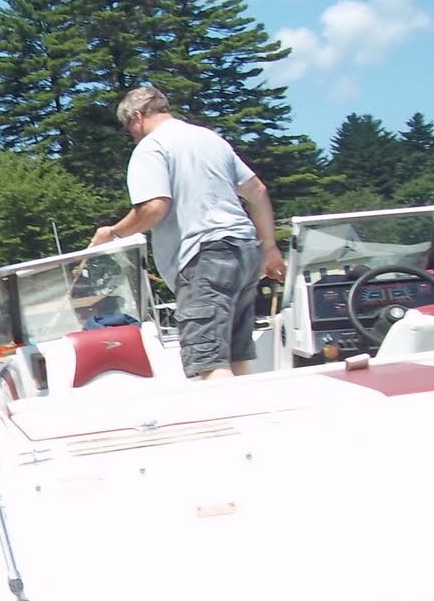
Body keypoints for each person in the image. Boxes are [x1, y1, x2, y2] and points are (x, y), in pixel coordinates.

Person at [89, 86, 286, 380]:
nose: (132, 135)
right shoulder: (209, 138)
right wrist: (269, 248)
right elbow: (257, 191)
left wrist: (114, 233)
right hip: (245, 253)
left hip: (205, 260)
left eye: (129, 128)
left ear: (138, 117)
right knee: (236, 357)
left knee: (210, 363)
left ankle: (231, 424)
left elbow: (154, 208)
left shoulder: (150, 147)